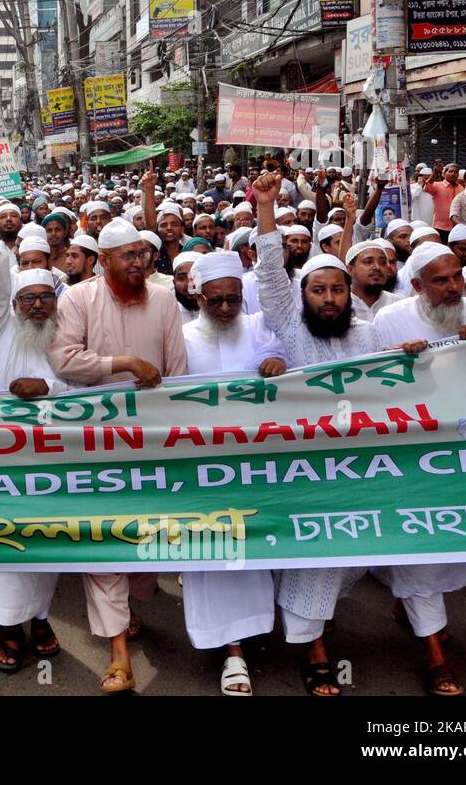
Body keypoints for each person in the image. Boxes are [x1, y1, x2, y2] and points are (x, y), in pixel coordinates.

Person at [249, 170, 378, 696]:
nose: (329, 298)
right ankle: (314, 648)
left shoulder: (369, 335)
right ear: (303, 296)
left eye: (337, 289)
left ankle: (302, 623)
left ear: (350, 293)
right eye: (319, 290)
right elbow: (270, 276)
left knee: (348, 556)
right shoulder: (290, 324)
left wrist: (417, 359)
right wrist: (265, 205)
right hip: (302, 464)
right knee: (316, 555)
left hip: (359, 465)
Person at [48, 218, 188, 694]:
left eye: (142, 254)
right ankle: (118, 657)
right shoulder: (77, 298)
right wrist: (123, 365)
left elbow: (178, 374)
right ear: (101, 261)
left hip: (149, 444)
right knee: (104, 542)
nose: (138, 263)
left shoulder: (165, 299)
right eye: (126, 256)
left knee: (145, 547)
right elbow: (64, 360)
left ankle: (129, 610)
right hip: (93, 443)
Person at [371, 242, 466, 696]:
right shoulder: (391, 319)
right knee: (422, 547)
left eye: (457, 276)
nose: (453, 287)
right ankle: (435, 655)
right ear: (418, 285)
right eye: (440, 281)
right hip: (412, 452)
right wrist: (402, 358)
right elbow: (374, 385)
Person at [0, 186, 65, 671]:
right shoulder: (1, 325)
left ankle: (40, 618)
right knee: (1, 542)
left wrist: (46, 389)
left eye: (46, 297)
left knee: (44, 541)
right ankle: (6, 625)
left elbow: (80, 384)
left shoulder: (66, 334)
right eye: (31, 299)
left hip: (48, 459)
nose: (39, 305)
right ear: (18, 305)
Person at [178, 251, 286, 695]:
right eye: (215, 300)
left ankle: (251, 630)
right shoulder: (181, 336)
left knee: (252, 550)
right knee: (211, 552)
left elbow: (284, 357)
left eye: (233, 299)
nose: (225, 308)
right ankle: (231, 651)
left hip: (255, 465)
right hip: (197, 469)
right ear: (197, 295)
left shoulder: (260, 326)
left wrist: (277, 361)